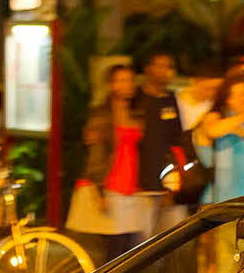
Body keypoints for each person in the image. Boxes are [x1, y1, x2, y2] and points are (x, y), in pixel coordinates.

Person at [67, 64, 153, 261]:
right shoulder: (102, 115)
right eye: (121, 80)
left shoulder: (137, 113)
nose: (127, 85)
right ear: (111, 85)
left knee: (129, 246)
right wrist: (99, 190)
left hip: (132, 185)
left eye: (130, 80)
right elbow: (96, 153)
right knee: (114, 245)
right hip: (111, 184)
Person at [132, 49, 187, 232]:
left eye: (169, 67)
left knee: (172, 237)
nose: (166, 71)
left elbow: (177, 140)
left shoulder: (171, 99)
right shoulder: (136, 99)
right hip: (142, 183)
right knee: (142, 239)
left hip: (169, 183)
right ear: (148, 69)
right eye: (161, 66)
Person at [199, 72, 244, 203]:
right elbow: (213, 131)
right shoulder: (216, 117)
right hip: (223, 198)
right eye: (241, 94)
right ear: (228, 99)